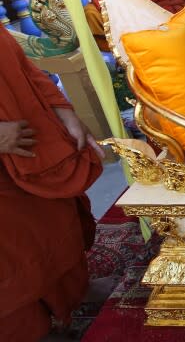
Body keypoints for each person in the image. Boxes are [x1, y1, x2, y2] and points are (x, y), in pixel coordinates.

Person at [0, 27, 104, 342]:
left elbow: (20, 65)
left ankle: (73, 294)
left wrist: (63, 112)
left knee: (56, 221)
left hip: (28, 140)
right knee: (13, 254)